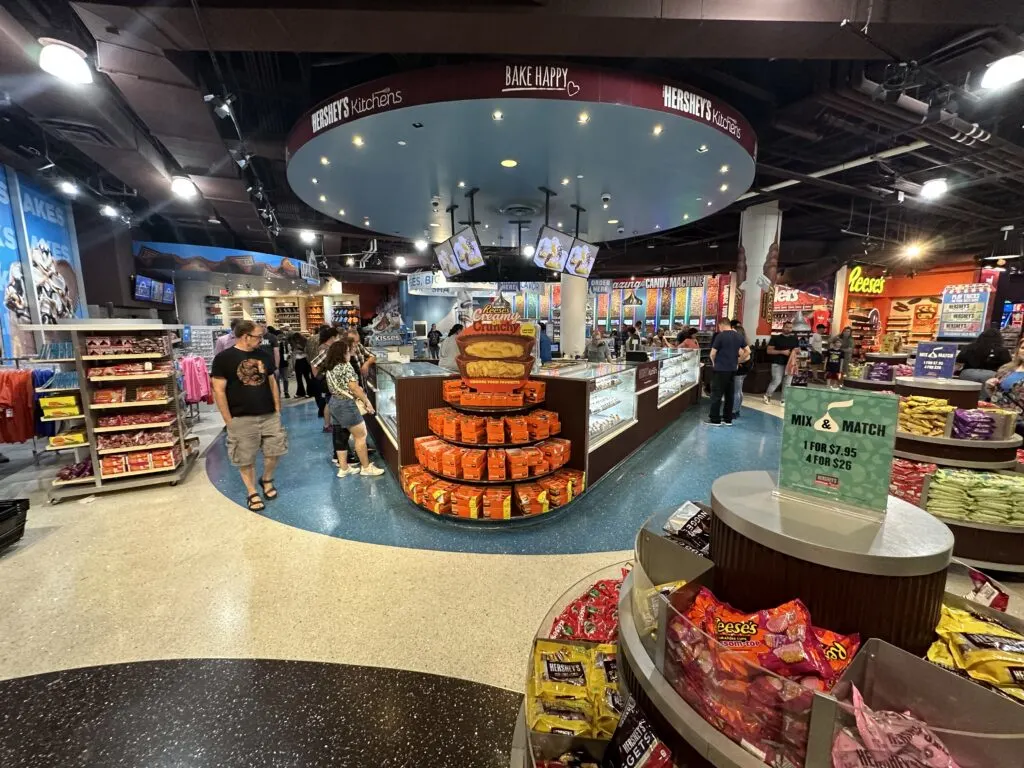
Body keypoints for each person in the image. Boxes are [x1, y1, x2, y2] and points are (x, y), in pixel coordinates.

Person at [211, 320, 288, 511]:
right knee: (245, 458)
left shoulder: (264, 355)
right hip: (241, 417)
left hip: (269, 414)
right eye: (258, 336)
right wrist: (228, 420)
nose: (261, 340)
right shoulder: (224, 358)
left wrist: (277, 407)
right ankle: (251, 491)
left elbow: (271, 382)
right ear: (245, 336)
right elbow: (218, 390)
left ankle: (267, 478)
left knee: (275, 451)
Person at [323, 338, 385, 477]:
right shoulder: (346, 366)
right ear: (342, 353)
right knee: (361, 436)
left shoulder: (331, 366)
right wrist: (366, 401)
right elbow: (354, 387)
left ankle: (344, 468)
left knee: (341, 436)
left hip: (334, 402)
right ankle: (366, 467)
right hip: (346, 404)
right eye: (348, 351)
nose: (350, 353)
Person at [707, 317, 749, 426]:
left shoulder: (720, 336)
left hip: (720, 369)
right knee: (729, 395)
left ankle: (715, 419)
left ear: (721, 325)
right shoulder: (739, 336)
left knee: (716, 394)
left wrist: (713, 363)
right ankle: (728, 419)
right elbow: (748, 351)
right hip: (732, 370)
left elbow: (712, 353)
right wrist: (738, 360)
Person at [986, 337, 1024, 425]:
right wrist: (990, 387)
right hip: (997, 417)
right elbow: (997, 395)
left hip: (1019, 422)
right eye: (1022, 348)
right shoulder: (1006, 369)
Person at [311, 326, 339, 432]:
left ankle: (328, 424)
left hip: (328, 379)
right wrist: (318, 377)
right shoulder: (326, 349)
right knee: (329, 402)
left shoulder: (326, 347)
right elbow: (314, 363)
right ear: (332, 337)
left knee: (329, 401)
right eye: (337, 337)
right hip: (328, 379)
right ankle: (327, 425)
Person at [763, 320, 799, 405]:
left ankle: (784, 400)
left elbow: (798, 349)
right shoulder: (775, 338)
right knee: (777, 380)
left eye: (790, 328)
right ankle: (767, 395)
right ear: (783, 327)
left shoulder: (794, 338)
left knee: (787, 383)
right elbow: (769, 351)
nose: (788, 329)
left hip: (790, 364)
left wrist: (796, 351)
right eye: (787, 327)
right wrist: (782, 352)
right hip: (777, 363)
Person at [732, 322, 751, 417]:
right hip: (745, 369)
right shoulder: (745, 342)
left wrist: (738, 360)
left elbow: (746, 355)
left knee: (736, 391)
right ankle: (737, 409)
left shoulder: (738, 344)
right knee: (739, 391)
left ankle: (734, 411)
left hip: (740, 370)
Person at [268, 326, 290, 398]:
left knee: (280, 379)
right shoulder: (277, 343)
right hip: (282, 363)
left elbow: (287, 352)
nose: (281, 338)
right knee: (283, 378)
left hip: (280, 363)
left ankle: (282, 392)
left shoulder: (283, 343)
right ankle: (283, 392)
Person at [291, 333, 312, 398]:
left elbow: (308, 351)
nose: (297, 341)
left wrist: (301, 351)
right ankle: (300, 392)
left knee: (307, 377)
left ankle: (310, 392)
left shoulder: (306, 341)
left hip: (304, 360)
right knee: (298, 378)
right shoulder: (293, 342)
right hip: (297, 360)